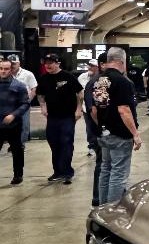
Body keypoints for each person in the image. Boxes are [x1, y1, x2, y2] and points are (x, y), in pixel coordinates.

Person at [92, 46, 142, 205]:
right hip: (120, 134)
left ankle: (102, 206)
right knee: (119, 173)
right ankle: (112, 208)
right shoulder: (122, 81)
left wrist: (102, 125)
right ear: (122, 61)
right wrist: (135, 134)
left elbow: (94, 110)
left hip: (104, 133)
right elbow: (124, 110)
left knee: (105, 170)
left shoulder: (99, 80)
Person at [35, 53, 82, 184]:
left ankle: (67, 172)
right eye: (46, 63)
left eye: (51, 62)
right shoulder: (44, 79)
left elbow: (80, 93)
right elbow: (40, 94)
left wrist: (78, 109)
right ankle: (58, 171)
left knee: (66, 142)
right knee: (54, 143)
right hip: (52, 117)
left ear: (58, 63)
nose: (48, 65)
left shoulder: (68, 77)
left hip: (67, 116)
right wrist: (43, 106)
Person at [0, 58, 29, 185]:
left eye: (6, 69)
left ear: (11, 70)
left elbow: (25, 104)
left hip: (14, 125)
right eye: (1, 69)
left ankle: (18, 175)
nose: (3, 71)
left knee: (17, 150)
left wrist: (13, 115)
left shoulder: (19, 86)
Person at [84, 52, 107, 206]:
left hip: (100, 130)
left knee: (105, 164)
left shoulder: (94, 81)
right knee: (104, 164)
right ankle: (100, 197)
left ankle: (100, 197)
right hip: (103, 132)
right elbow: (94, 110)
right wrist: (103, 128)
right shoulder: (99, 82)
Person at [8, 55, 37, 145]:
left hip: (23, 104)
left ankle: (21, 144)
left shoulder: (28, 74)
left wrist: (28, 102)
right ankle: (12, 144)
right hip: (9, 105)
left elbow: (34, 89)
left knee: (24, 126)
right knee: (9, 125)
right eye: (11, 64)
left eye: (14, 64)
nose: (12, 66)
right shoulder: (5, 73)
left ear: (19, 63)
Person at [78, 58, 100, 156]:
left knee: (100, 126)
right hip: (86, 107)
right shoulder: (82, 77)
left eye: (92, 66)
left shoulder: (102, 77)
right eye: (89, 65)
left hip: (99, 107)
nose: (90, 67)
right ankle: (92, 146)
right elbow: (79, 93)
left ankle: (101, 145)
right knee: (89, 127)